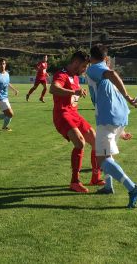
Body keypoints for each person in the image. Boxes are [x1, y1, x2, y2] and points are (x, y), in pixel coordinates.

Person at [86, 44, 137, 208]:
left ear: (91, 57)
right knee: (107, 154)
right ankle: (108, 186)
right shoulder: (103, 68)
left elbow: (111, 74)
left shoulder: (94, 69)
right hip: (120, 116)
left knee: (101, 158)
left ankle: (132, 188)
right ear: (106, 58)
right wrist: (122, 130)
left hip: (107, 117)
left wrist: (127, 95)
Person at [49, 51, 105, 193]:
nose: (85, 69)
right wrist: (73, 92)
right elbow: (53, 88)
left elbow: (74, 94)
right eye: (84, 66)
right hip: (62, 115)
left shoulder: (75, 77)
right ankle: (74, 182)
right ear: (76, 63)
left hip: (74, 114)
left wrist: (78, 92)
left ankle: (95, 177)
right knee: (80, 143)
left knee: (95, 140)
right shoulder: (61, 74)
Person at [0, 57, 19, 131]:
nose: (2, 65)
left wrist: (14, 90)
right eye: (0, 64)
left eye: (4, 64)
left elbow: (7, 83)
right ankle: (4, 127)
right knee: (10, 114)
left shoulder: (7, 74)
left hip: (5, 97)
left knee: (7, 114)